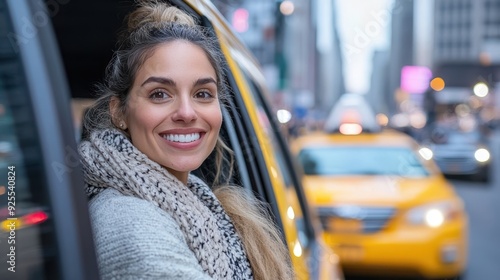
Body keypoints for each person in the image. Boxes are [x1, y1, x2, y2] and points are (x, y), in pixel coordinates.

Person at [78, 1, 294, 279]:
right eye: (159, 94)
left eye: (203, 94)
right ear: (119, 111)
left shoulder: (200, 202)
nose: (186, 113)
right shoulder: (132, 226)